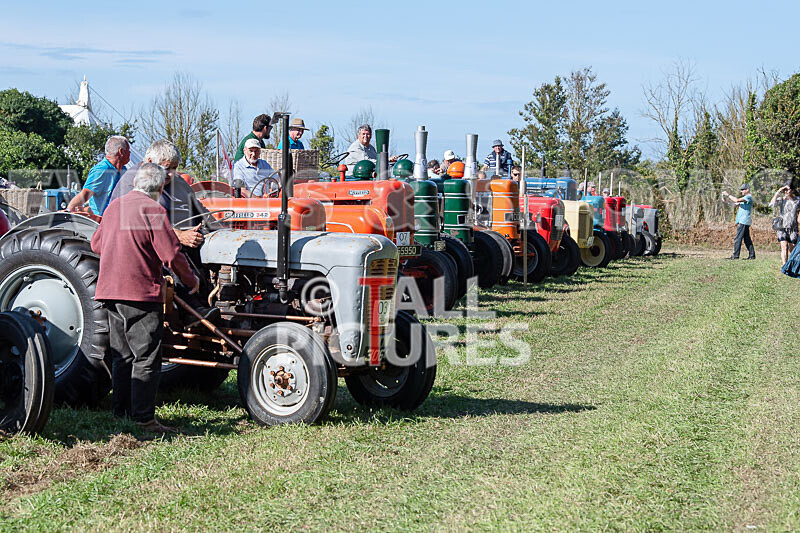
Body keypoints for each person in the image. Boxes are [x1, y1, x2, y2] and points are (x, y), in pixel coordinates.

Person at [91, 163, 199, 433]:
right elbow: (172, 254)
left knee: (122, 356)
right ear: (161, 187)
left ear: (136, 182)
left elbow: (95, 244)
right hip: (140, 292)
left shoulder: (114, 207)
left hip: (109, 292)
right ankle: (144, 419)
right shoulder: (154, 210)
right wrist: (192, 281)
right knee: (147, 356)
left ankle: (121, 412)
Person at [66, 136, 130, 215]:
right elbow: (85, 194)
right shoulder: (101, 170)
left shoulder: (124, 170)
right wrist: (68, 211)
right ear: (121, 151)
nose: (130, 154)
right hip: (103, 222)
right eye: (128, 151)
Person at [769, 184, 800, 264]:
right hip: (782, 227)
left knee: (792, 248)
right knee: (784, 246)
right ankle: (784, 266)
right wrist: (778, 191)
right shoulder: (781, 200)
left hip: (793, 227)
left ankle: (792, 265)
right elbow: (771, 204)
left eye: (787, 190)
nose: (786, 191)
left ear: (792, 190)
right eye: (784, 190)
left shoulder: (797, 200)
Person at [727, 183, 756, 260]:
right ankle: (752, 255)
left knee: (738, 238)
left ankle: (735, 256)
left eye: (743, 190)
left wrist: (728, 195)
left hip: (743, 221)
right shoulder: (745, 198)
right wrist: (726, 201)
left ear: (747, 190)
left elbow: (736, 200)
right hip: (744, 221)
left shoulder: (748, 197)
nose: (741, 191)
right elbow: (735, 203)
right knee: (747, 239)